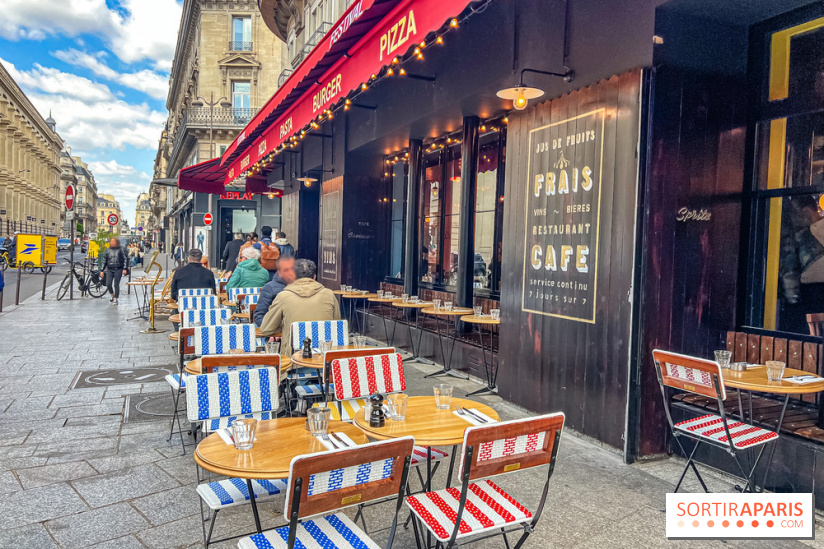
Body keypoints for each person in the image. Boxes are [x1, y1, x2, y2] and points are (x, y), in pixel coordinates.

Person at [260, 259, 340, 353]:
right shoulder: (329, 295)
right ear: (314, 277)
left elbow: (266, 328)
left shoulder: (283, 297)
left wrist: (285, 326)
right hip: (323, 355)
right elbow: (336, 325)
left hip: (294, 357)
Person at [254, 256, 296, 326]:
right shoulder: (269, 288)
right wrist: (272, 332)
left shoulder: (302, 285)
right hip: (275, 333)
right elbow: (259, 316)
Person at [101, 237, 129, 304]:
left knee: (116, 284)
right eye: (111, 241)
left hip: (118, 269)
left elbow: (125, 259)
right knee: (108, 284)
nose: (112, 243)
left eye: (114, 241)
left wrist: (125, 268)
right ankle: (112, 294)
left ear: (117, 242)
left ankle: (116, 298)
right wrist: (101, 270)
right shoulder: (107, 251)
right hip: (109, 269)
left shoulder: (120, 250)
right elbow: (104, 261)